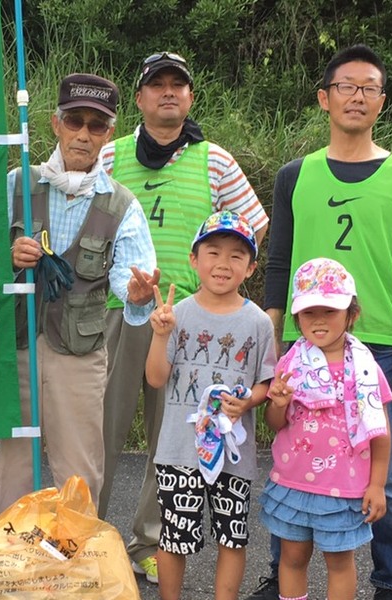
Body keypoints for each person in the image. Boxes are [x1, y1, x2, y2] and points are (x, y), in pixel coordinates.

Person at [252, 44, 392, 600]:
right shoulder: (295, 175)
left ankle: (391, 581)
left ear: (382, 101)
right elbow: (279, 260)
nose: (357, 96)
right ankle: (281, 576)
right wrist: (272, 331)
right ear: (324, 98)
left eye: (369, 88)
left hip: (378, 344)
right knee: (293, 460)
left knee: (387, 471)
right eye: (346, 86)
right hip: (303, 343)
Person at [98, 50, 270, 584]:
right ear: (140, 98)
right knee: (99, 431)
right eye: (158, 85)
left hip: (190, 324)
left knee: (171, 435)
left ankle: (148, 541)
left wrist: (214, 282)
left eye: (178, 85)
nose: (168, 92)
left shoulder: (214, 160)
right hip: (118, 312)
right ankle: (85, 540)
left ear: (191, 97)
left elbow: (253, 225)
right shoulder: (111, 156)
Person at [0, 73, 157, 518]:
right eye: (74, 121)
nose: (84, 134)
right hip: (18, 346)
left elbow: (130, 280)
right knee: (14, 469)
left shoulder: (122, 205)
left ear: (109, 133)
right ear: (56, 124)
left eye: (96, 125)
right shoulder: (16, 184)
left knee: (80, 472)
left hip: (81, 354)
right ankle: (10, 556)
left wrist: (138, 295)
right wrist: (9, 256)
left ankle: (78, 556)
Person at [143, 210, 275, 600]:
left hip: (233, 453)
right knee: (174, 537)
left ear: (251, 268)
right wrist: (160, 336)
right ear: (193, 259)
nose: (223, 263)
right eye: (213, 252)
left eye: (237, 255)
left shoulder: (258, 323)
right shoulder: (176, 315)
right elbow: (155, 378)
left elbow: (266, 383)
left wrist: (248, 402)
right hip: (179, 450)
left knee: (232, 537)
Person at [260, 258, 392, 600]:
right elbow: (275, 424)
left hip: (344, 488)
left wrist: (377, 484)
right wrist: (278, 403)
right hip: (293, 482)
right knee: (292, 559)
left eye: (330, 311)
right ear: (297, 318)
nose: (319, 320)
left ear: (352, 314)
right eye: (309, 312)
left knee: (339, 563)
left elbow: (380, 432)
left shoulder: (366, 368)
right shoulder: (291, 363)